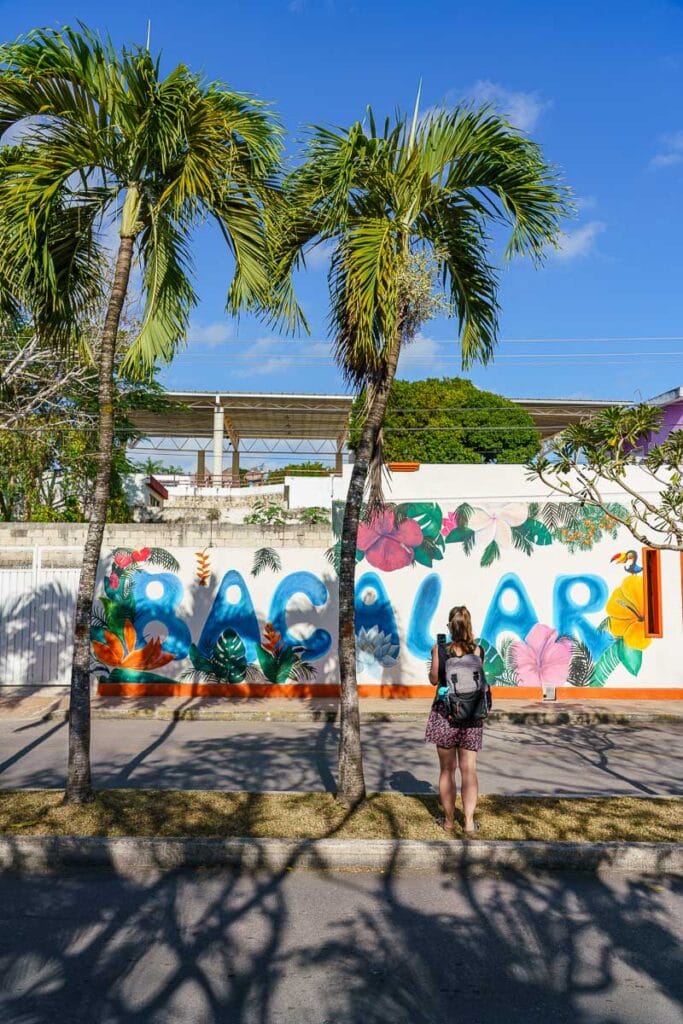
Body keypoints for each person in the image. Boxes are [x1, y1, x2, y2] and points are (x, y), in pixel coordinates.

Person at [425, 605, 485, 834]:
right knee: (469, 769)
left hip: (445, 714)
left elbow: (433, 680)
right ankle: (469, 823)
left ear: (450, 626)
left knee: (447, 770)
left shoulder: (439, 650)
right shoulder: (478, 651)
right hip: (471, 715)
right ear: (469, 626)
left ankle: (449, 821)